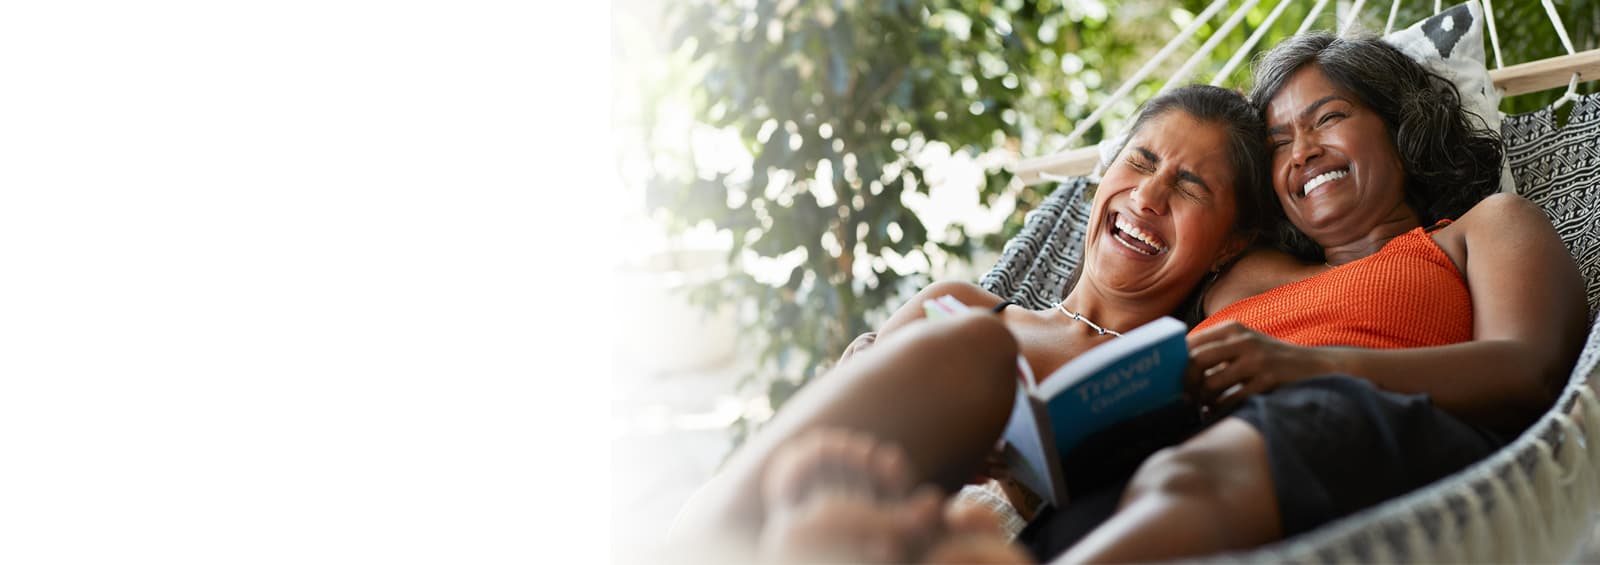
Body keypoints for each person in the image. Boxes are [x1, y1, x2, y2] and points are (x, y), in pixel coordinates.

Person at [665, 83, 1275, 563]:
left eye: (1190, 187)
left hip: (980, 543)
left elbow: (1346, 271)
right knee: (970, 344)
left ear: (1231, 246)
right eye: (1140, 161)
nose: (1149, 195)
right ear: (1102, 179)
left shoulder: (1173, 373)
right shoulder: (960, 304)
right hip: (801, 519)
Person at [1045, 33, 1588, 563]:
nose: (1302, 152)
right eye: (1279, 143)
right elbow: (1185, 202)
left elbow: (1528, 370)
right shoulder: (1236, 273)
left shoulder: (1483, 228)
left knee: (1195, 474)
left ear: (1402, 127)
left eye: (1327, 118)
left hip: (1369, 442)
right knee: (1063, 524)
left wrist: (1314, 367)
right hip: (1180, 464)